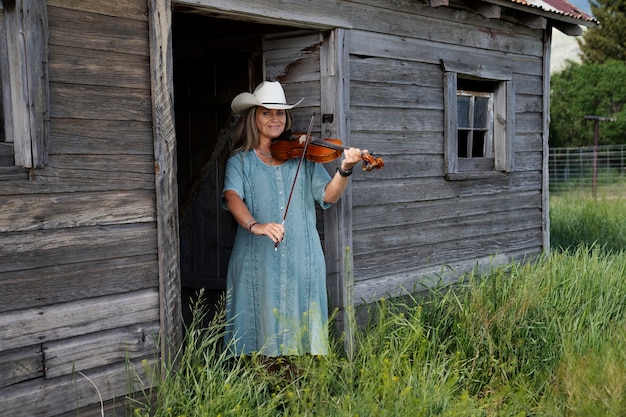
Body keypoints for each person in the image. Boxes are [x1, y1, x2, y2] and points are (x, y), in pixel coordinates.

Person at [221, 81, 364, 357]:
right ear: (254, 117)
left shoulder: (303, 157)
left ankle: (299, 391)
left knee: (300, 338)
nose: (275, 119)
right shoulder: (239, 162)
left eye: (280, 113)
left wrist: (344, 169)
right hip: (256, 260)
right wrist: (256, 225)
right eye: (267, 112)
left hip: (301, 256)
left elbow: (328, 196)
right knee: (258, 330)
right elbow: (232, 197)